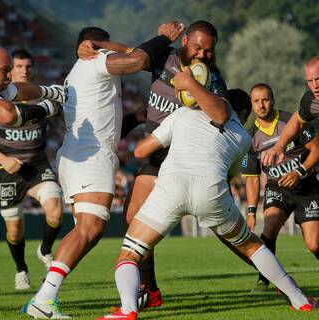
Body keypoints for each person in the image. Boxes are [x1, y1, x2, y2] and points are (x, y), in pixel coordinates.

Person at [98, 69, 316, 320]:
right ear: (244, 114)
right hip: (211, 191)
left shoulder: (182, 114)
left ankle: (128, 310)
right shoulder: (243, 136)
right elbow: (229, 175)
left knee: (130, 252)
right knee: (252, 246)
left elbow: (140, 151)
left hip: (172, 185)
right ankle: (299, 299)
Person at [21, 22, 186, 319]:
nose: (113, 50)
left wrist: (136, 117)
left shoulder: (79, 73)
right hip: (89, 157)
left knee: (86, 230)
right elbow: (139, 60)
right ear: (94, 46)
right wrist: (163, 37)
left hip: (80, 155)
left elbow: (108, 126)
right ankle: (44, 299)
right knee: (90, 229)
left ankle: (46, 296)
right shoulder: (94, 62)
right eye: (106, 45)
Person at [121, 20, 229, 309]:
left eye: (209, 50)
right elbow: (129, 52)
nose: (203, 55)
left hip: (186, 159)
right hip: (157, 157)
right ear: (185, 42)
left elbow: (221, 115)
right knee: (132, 218)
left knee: (229, 233)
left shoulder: (212, 77)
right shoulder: (162, 57)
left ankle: (273, 276)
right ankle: (149, 290)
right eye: (198, 48)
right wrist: (96, 46)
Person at [241, 83, 319, 291]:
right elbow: (252, 178)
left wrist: (299, 172)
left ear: (273, 100)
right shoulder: (250, 138)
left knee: (314, 244)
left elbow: (317, 150)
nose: (261, 105)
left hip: (306, 186)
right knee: (271, 223)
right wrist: (250, 212)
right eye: (256, 101)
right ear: (251, 105)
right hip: (278, 188)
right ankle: (265, 278)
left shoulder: (291, 122)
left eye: (265, 99)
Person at [0, 49, 64, 290]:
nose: (19, 72)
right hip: (6, 168)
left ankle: (45, 251)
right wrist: (4, 159)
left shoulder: (14, 89)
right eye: (11, 69)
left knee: (55, 208)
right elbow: (6, 114)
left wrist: (52, 95)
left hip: (36, 164)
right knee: (14, 230)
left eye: (28, 66)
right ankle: (20, 269)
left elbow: (18, 91)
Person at [261, 56, 319, 167]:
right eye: (310, 81)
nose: (315, 86)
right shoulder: (310, 102)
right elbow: (297, 120)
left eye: (318, 79)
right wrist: (279, 146)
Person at [0, 47, 65, 126]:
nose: (9, 76)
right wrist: (47, 108)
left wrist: (54, 92)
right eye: (5, 70)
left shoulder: (4, 88)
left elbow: (17, 90)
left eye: (10, 70)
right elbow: (9, 115)